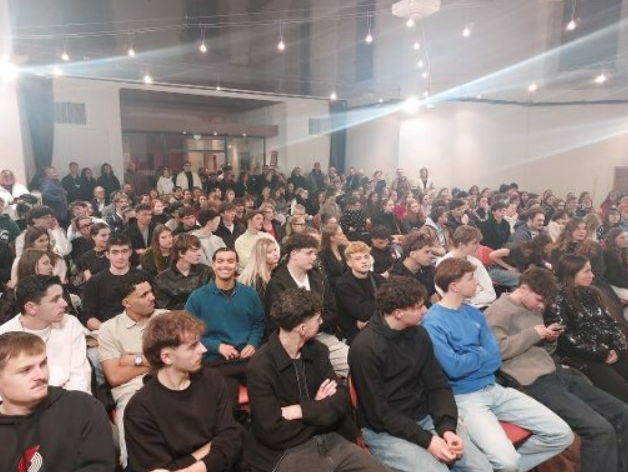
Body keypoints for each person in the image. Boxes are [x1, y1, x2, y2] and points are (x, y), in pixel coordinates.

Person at [422, 258, 574, 471]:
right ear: (454, 286)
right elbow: (454, 369)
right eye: (471, 278)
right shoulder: (432, 320)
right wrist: (481, 353)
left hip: (494, 388)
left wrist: (471, 356)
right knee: (507, 461)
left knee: (562, 434)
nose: (477, 282)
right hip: (465, 397)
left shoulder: (474, 313)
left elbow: (494, 359)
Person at [486, 266, 628, 472]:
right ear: (523, 288)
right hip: (532, 382)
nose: (540, 306)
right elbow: (495, 352)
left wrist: (549, 339)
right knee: (599, 430)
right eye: (539, 300)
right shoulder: (497, 311)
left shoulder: (532, 306)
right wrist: (534, 334)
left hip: (555, 371)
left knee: (623, 414)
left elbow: (541, 350)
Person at [350, 276, 492, 472]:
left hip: (425, 416)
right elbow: (378, 413)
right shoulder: (364, 348)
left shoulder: (419, 333)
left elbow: (437, 384)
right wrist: (428, 441)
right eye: (418, 307)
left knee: (482, 468)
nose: (425, 310)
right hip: (385, 429)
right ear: (398, 313)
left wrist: (447, 428)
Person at [245, 288, 390, 472]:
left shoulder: (318, 350)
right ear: (302, 328)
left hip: (330, 439)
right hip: (285, 452)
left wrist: (301, 410)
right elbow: (272, 432)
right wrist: (320, 411)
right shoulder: (260, 366)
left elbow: (341, 400)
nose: (322, 322)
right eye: (317, 319)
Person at [124, 311, 244, 472]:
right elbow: (162, 469)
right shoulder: (140, 410)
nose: (203, 349)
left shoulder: (212, 379)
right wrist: (213, 446)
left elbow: (231, 440)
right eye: (193, 346)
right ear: (167, 357)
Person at [0, 331, 116, 472]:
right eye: (25, 370)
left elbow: (99, 467)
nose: (40, 375)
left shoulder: (83, 408)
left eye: (43, 364)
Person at [98, 273, 167, 468]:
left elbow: (176, 358)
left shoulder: (165, 317)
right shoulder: (109, 329)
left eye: (151, 291)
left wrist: (132, 359)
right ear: (127, 303)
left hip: (168, 383)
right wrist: (155, 359)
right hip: (132, 392)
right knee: (131, 440)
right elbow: (114, 376)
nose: (152, 297)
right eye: (144, 295)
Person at [545, 254, 628, 404]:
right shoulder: (557, 299)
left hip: (609, 351)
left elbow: (612, 323)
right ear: (571, 274)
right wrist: (602, 353)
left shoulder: (592, 293)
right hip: (584, 358)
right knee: (623, 393)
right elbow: (566, 338)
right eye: (586, 271)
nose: (592, 275)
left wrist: (618, 347)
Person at [186, 247, 265, 405]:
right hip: (215, 361)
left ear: (236, 265)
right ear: (213, 265)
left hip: (246, 358)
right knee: (226, 399)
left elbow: (259, 323)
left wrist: (252, 343)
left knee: (266, 388)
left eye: (230, 261)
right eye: (220, 261)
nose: (225, 265)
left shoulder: (250, 294)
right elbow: (188, 333)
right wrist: (218, 347)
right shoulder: (197, 297)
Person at [266, 234, 349, 377]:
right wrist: (313, 324)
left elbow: (332, 311)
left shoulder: (318, 277)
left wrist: (314, 325)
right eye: (309, 253)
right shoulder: (277, 283)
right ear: (294, 254)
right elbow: (278, 322)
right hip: (291, 343)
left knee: (356, 361)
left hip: (322, 335)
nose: (314, 258)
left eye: (315, 253)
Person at [0, 274, 91, 393]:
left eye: (62, 296)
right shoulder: (4, 336)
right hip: (20, 401)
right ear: (31, 308)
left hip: (66, 398)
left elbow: (80, 377)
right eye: (55, 299)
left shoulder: (70, 324)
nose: (64, 303)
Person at [334, 242, 385, 344]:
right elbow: (363, 312)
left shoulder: (379, 279)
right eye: (358, 259)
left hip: (379, 326)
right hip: (355, 333)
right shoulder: (343, 284)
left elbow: (392, 302)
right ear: (349, 263)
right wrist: (383, 303)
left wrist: (370, 320)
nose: (364, 261)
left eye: (366, 257)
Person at [436, 225, 496, 309]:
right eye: (474, 243)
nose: (478, 246)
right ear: (462, 245)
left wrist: (470, 299)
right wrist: (475, 295)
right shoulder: (443, 264)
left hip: (481, 307)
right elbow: (447, 296)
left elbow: (491, 294)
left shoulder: (476, 263)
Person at [154, 234, 213, 310]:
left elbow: (212, 298)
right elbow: (165, 308)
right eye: (194, 250)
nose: (199, 254)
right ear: (181, 253)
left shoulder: (207, 272)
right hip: (177, 316)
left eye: (199, 249)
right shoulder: (162, 280)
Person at [390, 231, 438, 305]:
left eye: (431, 252)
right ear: (412, 254)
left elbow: (432, 294)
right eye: (426, 252)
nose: (431, 256)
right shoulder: (397, 279)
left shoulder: (426, 267)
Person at [487, 233, 552, 288]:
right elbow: (492, 255)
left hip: (514, 272)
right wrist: (509, 267)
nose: (546, 252)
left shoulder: (534, 254)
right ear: (539, 247)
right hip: (496, 271)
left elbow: (531, 267)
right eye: (545, 249)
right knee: (522, 280)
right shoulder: (514, 248)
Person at [604, 228, 628, 301]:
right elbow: (612, 278)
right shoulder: (608, 253)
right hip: (612, 286)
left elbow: (623, 274)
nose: (626, 240)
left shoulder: (621, 251)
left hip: (622, 283)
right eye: (622, 238)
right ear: (613, 240)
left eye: (627, 237)